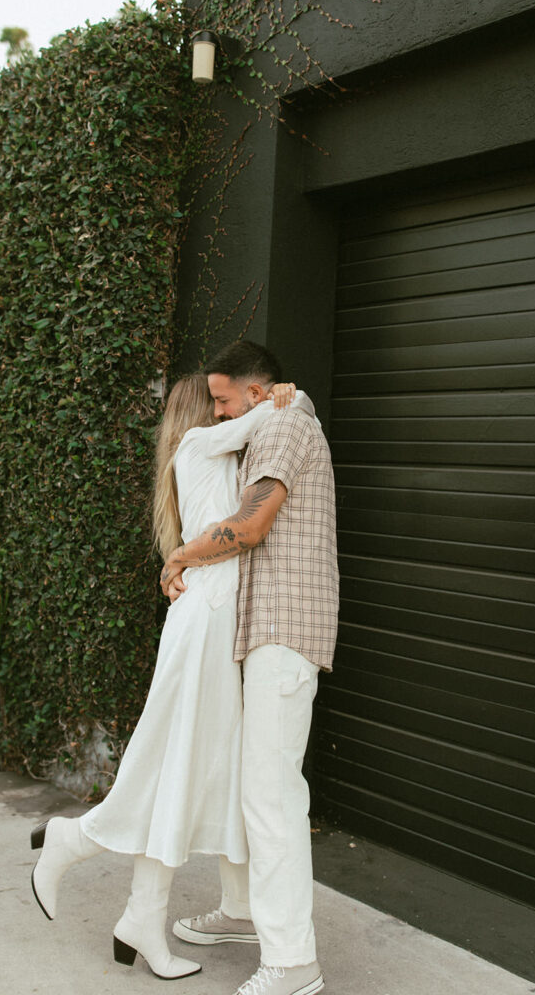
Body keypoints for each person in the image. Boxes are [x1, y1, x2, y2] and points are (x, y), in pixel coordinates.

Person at [28, 372, 314, 981]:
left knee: (183, 770)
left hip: (217, 621)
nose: (222, 409)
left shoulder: (218, 458)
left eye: (225, 398)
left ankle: (141, 914)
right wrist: (287, 397)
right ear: (198, 413)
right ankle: (75, 838)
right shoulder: (198, 444)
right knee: (171, 762)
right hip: (207, 619)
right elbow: (255, 424)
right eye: (213, 403)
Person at [160, 340, 339, 995]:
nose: (215, 409)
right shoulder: (271, 421)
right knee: (246, 784)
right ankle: (241, 913)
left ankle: (293, 963)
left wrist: (181, 555)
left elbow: (251, 522)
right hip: (257, 631)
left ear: (257, 393)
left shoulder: (285, 424)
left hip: (284, 632)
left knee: (270, 794)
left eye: (222, 398)